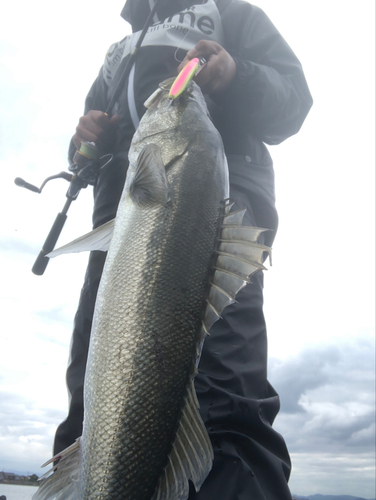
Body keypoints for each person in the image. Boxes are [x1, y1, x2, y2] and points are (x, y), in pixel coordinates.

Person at [54, 1, 312, 498]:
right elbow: (86, 146)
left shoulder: (235, 16)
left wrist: (236, 73)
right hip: (120, 227)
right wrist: (84, 139)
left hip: (213, 225)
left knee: (223, 391)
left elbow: (292, 103)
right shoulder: (120, 49)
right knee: (94, 388)